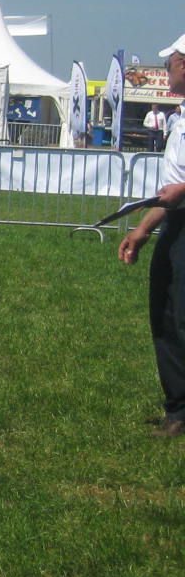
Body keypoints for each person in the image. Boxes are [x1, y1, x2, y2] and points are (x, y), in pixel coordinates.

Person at [120, 36, 185, 439]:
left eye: (172, 62)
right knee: (165, 316)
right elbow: (171, 186)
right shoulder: (180, 118)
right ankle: (178, 409)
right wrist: (143, 230)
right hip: (177, 226)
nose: (167, 70)